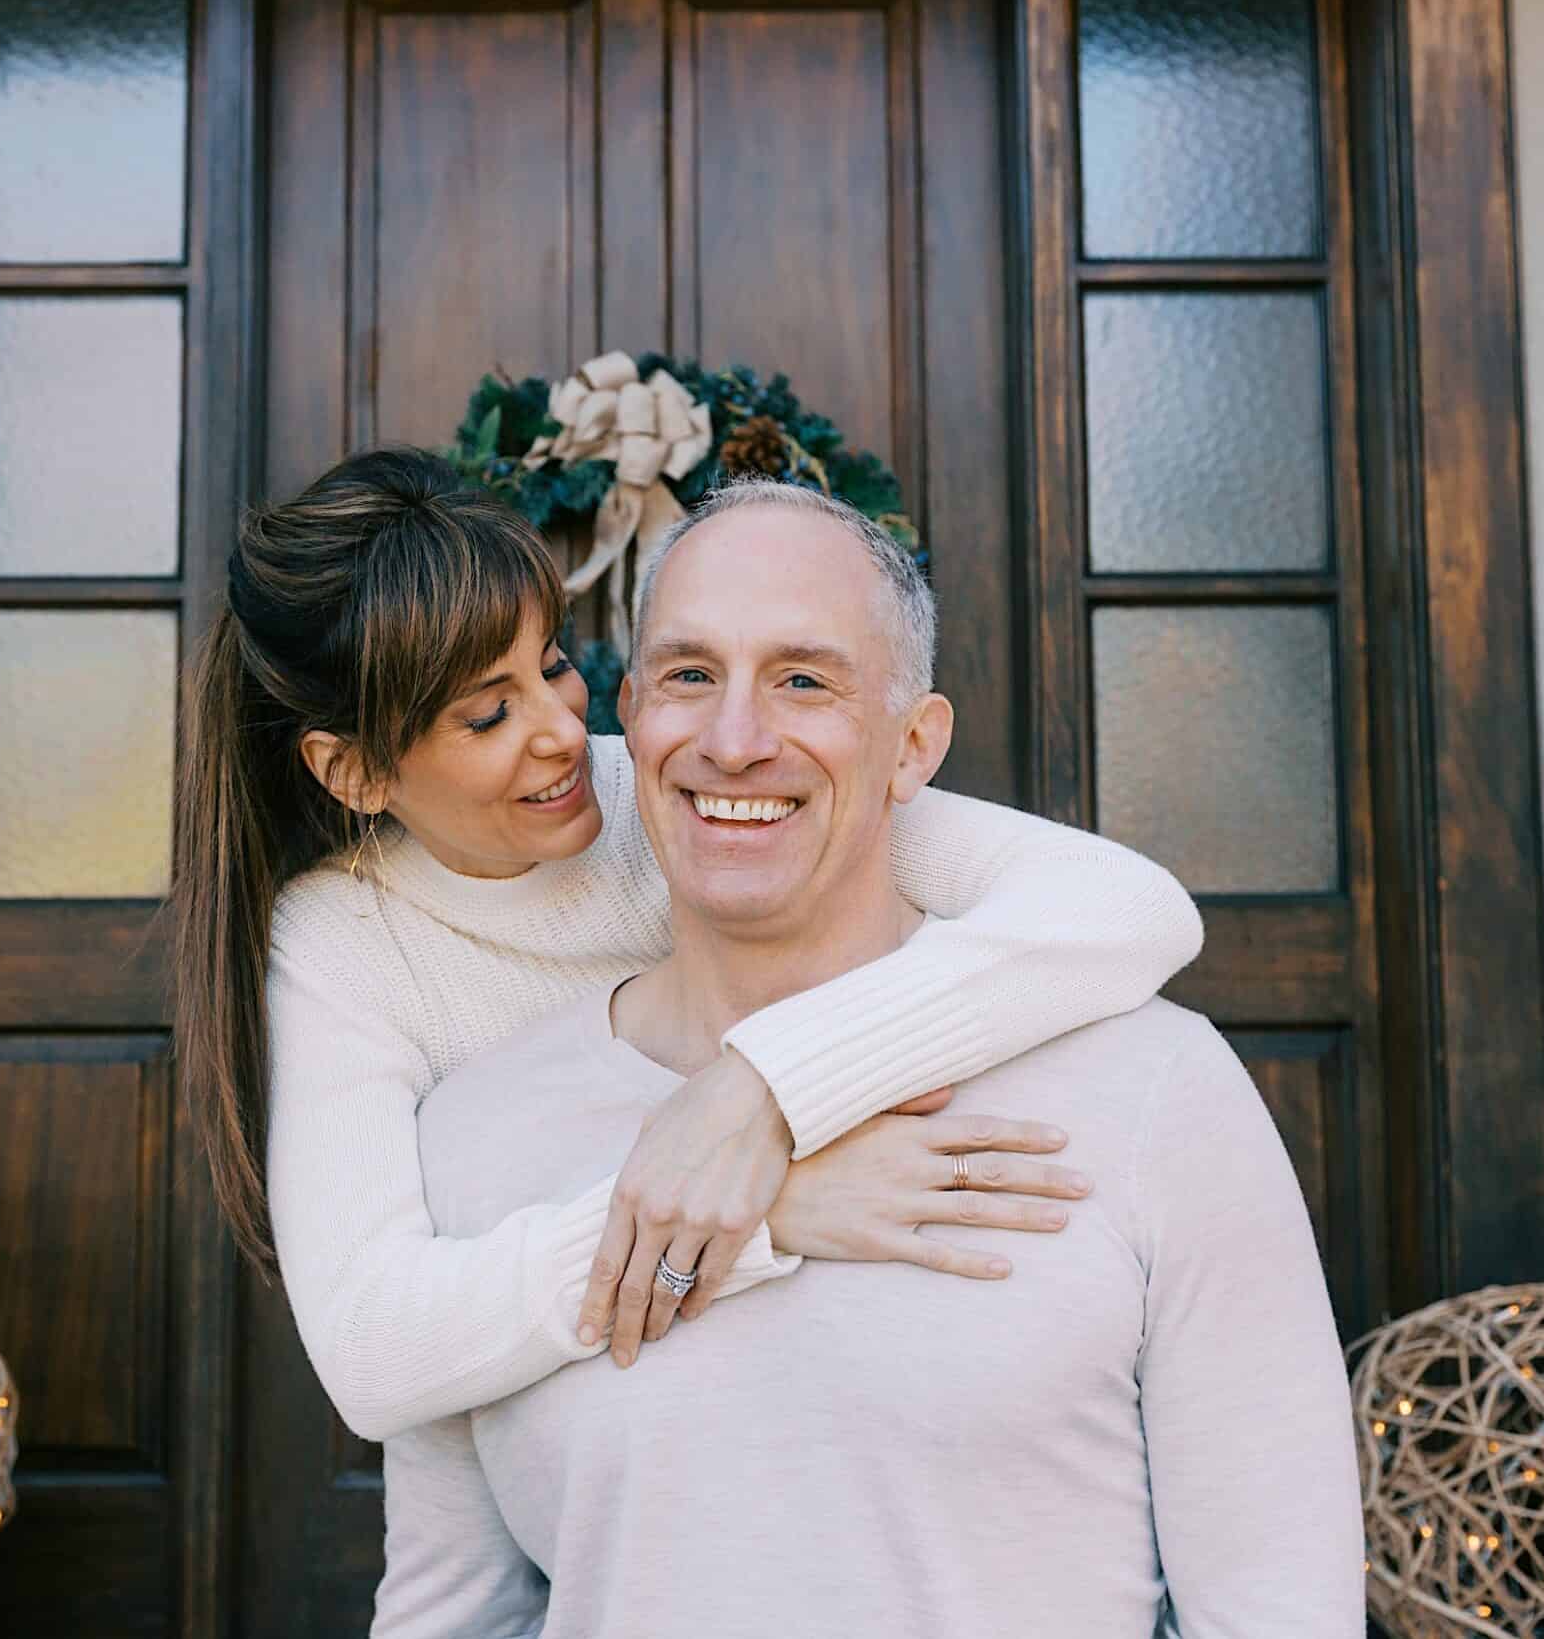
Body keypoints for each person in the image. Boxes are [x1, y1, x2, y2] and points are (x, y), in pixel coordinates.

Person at [388, 480, 1363, 1637]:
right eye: (691, 676)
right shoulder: (474, 1136)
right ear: (633, 716)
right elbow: (453, 1618)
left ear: (913, 748)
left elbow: (1276, 1606)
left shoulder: (1157, 1093)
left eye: (804, 680)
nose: (735, 741)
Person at [173, 448, 1204, 1444]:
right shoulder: (343, 940)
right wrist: (758, 1209)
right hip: (598, 1419)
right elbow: (373, 1352)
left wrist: (762, 1089)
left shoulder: (690, 793)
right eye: (489, 714)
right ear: (352, 773)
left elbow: (1126, 905)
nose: (562, 732)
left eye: (555, 666)